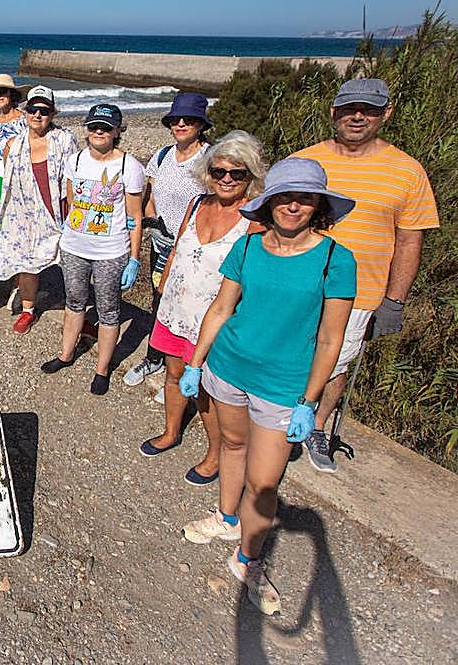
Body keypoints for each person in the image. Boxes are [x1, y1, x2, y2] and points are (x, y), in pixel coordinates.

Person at [178, 157, 357, 616]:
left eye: (304, 198)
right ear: (270, 200)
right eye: (285, 196)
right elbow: (220, 309)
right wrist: (195, 363)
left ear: (318, 204)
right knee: (232, 446)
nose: (293, 206)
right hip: (227, 367)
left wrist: (309, 403)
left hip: (283, 386)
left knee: (264, 481)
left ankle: (248, 559)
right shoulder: (249, 247)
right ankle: (226, 518)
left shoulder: (336, 259)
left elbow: (330, 338)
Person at [293, 78, 438, 472]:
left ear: (385, 114)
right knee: (290, 353)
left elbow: (410, 241)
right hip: (297, 284)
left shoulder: (408, 172)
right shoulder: (305, 161)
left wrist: (394, 301)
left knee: (335, 363)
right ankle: (281, 417)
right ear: (333, 112)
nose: (358, 116)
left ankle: (316, 426)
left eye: (369, 110)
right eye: (349, 109)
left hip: (361, 292)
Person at [139, 131, 266, 486]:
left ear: (250, 176)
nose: (226, 179)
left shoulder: (254, 221)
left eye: (236, 173)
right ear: (207, 172)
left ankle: (215, 455)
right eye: (219, 171)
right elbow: (178, 245)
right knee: (174, 373)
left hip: (215, 319)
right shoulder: (197, 204)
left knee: (210, 390)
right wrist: (162, 285)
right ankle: (171, 431)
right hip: (177, 307)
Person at [41, 104, 145, 395]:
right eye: (94, 126)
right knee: (74, 301)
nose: (99, 131)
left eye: (106, 127)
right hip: (74, 247)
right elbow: (73, 201)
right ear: (86, 129)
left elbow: (134, 217)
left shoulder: (129, 166)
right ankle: (66, 354)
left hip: (111, 251)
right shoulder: (74, 161)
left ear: (117, 131)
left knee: (109, 309)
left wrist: (134, 258)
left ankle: (102, 369)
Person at [124, 92, 214, 387]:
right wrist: (152, 223)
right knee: (159, 299)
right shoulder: (162, 155)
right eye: (176, 119)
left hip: (192, 250)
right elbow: (150, 194)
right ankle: (154, 358)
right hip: (161, 244)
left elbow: (216, 206)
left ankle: (184, 369)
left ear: (201, 124)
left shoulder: (210, 160)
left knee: (190, 306)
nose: (181, 124)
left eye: (189, 119)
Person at [0, 87, 79, 334]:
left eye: (44, 111)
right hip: (23, 214)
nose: (38, 115)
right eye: (33, 109)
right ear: (25, 112)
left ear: (52, 114)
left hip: (58, 210)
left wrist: (73, 212)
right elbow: (9, 181)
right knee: (25, 263)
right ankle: (28, 309)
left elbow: (74, 180)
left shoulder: (65, 140)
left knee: (71, 262)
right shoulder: (14, 144)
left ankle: (77, 311)